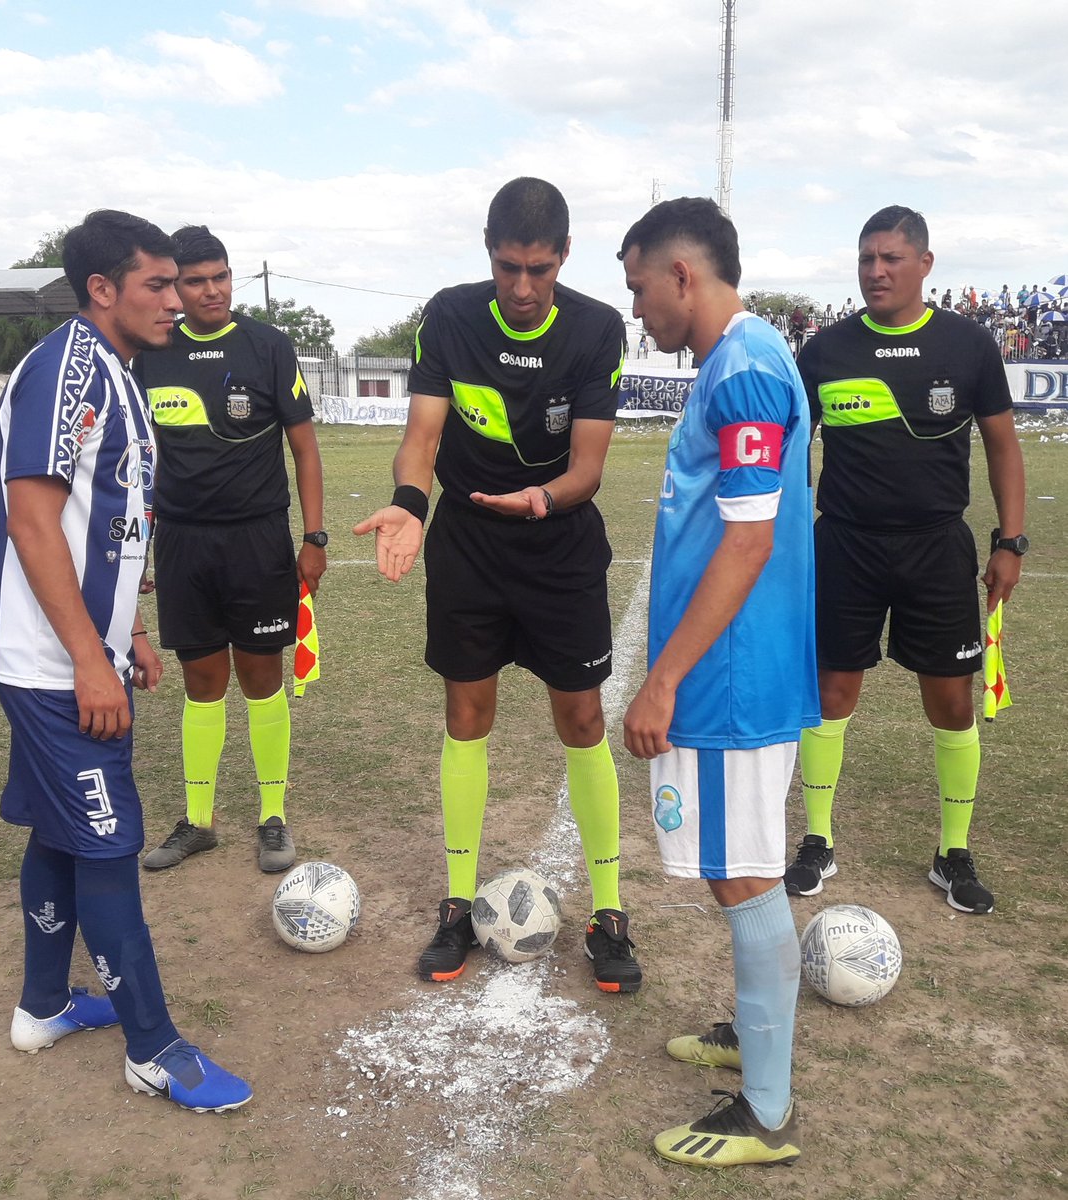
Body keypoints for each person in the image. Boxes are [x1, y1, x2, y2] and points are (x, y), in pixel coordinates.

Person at [0, 209, 251, 1111]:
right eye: (159, 285)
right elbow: (31, 517)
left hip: (78, 654)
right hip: (51, 668)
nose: (178, 301)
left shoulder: (119, 374)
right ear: (104, 290)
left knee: (60, 832)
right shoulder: (66, 367)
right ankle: (152, 1046)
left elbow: (105, 528)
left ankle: (45, 1005)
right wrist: (86, 663)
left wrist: (127, 631)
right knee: (107, 844)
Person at [354, 177, 641, 993]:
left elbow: (586, 468)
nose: (522, 287)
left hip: (558, 547)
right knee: (465, 711)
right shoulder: (448, 315)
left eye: (539, 270)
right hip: (468, 547)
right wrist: (411, 504)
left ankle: (610, 910)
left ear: (563, 259)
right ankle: (455, 901)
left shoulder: (593, 327)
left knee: (581, 716)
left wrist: (540, 501)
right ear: (487, 250)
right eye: (508, 266)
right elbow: (421, 436)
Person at [619, 197, 817, 1168]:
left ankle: (767, 1113)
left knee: (742, 875)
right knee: (732, 866)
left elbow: (745, 541)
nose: (638, 309)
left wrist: (662, 680)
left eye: (639, 288)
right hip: (735, 667)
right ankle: (755, 1023)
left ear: (682, 276)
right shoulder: (739, 362)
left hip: (730, 675)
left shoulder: (742, 367)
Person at [787, 205, 1026, 915]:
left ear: (924, 264)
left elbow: (1002, 446)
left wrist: (1008, 541)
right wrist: (793, 530)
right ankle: (817, 839)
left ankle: (952, 852)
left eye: (890, 258)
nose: (875, 271)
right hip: (844, 544)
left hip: (936, 547)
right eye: (865, 258)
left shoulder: (967, 346)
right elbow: (792, 446)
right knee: (831, 695)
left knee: (951, 702)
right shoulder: (824, 351)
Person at [135, 226, 325, 874]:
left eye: (220, 276)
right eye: (196, 280)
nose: (211, 290)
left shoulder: (266, 346)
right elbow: (135, 461)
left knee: (261, 677)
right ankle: (198, 822)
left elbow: (304, 447)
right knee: (202, 682)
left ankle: (273, 818)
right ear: (176, 287)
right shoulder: (150, 354)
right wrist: (139, 547)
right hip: (183, 542)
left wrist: (314, 538)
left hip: (258, 540)